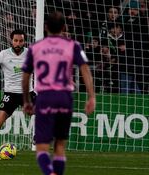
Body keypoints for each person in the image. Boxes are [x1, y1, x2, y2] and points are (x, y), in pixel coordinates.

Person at [22, 11, 96, 175]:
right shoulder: (73, 45)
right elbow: (85, 69)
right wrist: (91, 96)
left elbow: (26, 76)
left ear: (46, 27)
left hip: (45, 96)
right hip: (64, 97)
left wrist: (27, 101)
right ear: (64, 27)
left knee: (41, 146)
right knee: (60, 144)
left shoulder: (35, 47)